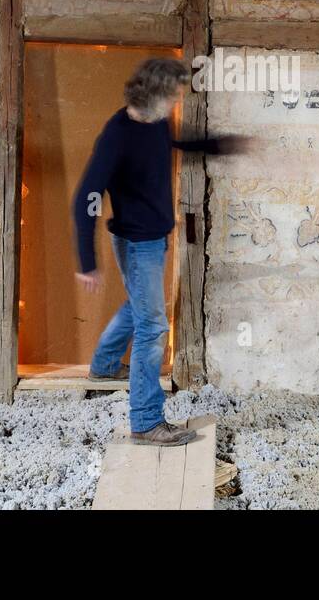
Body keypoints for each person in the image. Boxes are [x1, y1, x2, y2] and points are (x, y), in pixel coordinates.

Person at [73, 57, 246, 446]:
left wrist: (215, 146)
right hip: (137, 243)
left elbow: (170, 143)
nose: (178, 98)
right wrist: (87, 261)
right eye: (173, 93)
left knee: (140, 307)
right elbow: (85, 196)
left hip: (154, 237)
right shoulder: (116, 135)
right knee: (154, 326)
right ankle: (147, 421)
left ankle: (103, 366)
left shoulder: (155, 122)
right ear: (152, 94)